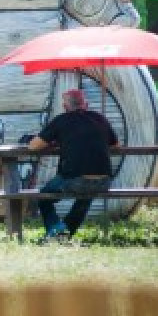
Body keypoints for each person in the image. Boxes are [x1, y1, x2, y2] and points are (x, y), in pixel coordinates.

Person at [27, 88, 119, 241]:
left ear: (65, 107)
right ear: (86, 105)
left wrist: (59, 141)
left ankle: (56, 231)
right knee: (86, 197)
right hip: (104, 181)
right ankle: (62, 235)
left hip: (75, 179)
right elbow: (115, 145)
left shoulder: (62, 120)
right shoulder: (100, 119)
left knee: (43, 197)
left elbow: (33, 146)